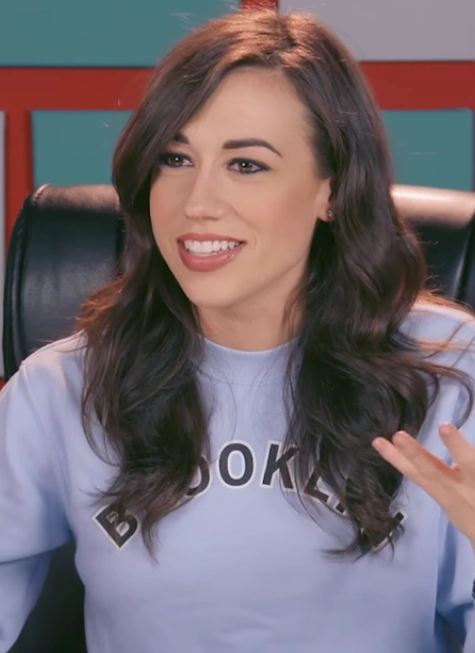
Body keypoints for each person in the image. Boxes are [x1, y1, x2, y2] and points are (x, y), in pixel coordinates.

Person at [1, 7, 475, 653]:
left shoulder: (450, 372)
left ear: (332, 190)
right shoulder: (62, 387)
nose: (196, 203)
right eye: (174, 158)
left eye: (246, 165)